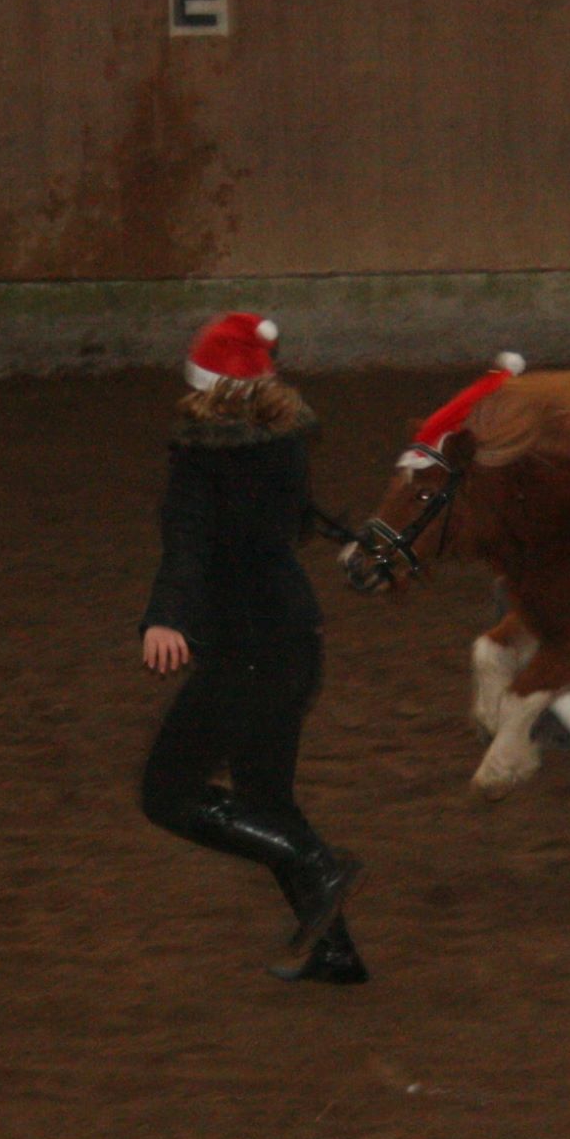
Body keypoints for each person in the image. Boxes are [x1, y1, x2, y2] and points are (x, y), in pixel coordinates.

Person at [138, 311, 367, 985]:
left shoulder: (199, 457)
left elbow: (188, 543)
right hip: (295, 643)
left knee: (168, 793)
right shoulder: (285, 441)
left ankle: (317, 862)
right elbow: (287, 521)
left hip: (243, 651)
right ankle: (334, 950)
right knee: (265, 798)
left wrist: (164, 617)